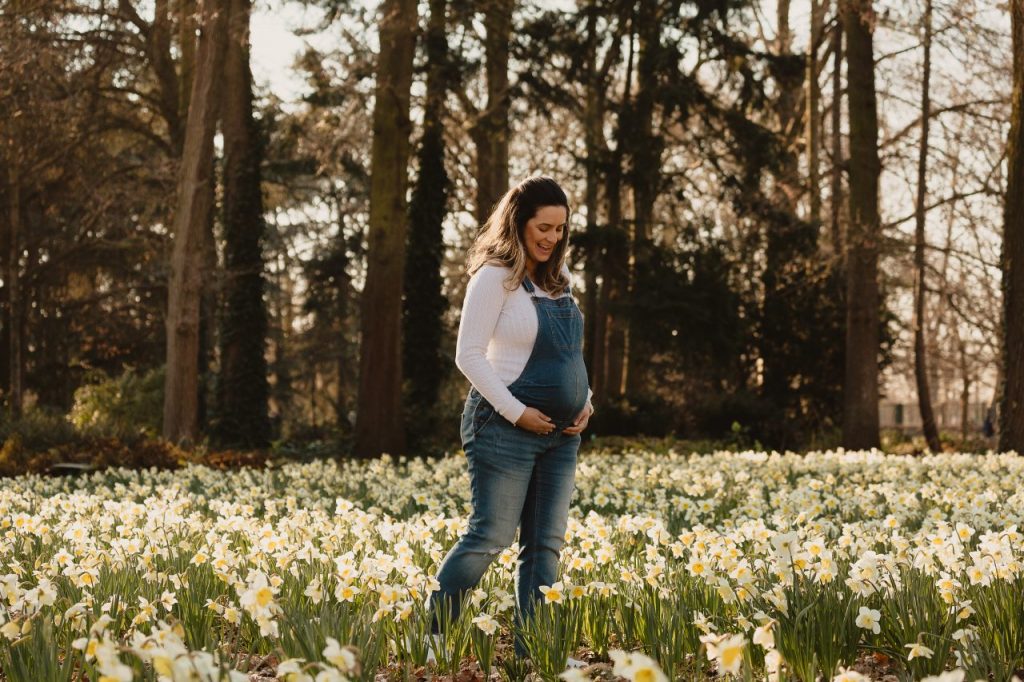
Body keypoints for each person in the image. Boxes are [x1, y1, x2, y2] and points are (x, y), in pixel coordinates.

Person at [427, 176, 594, 664]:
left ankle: (533, 651)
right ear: (519, 221)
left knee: (545, 547)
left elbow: (572, 356)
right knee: (491, 537)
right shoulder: (494, 277)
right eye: (543, 227)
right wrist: (518, 413)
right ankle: (432, 636)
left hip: (562, 436)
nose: (552, 238)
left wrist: (586, 402)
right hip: (502, 429)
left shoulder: (559, 285)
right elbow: (469, 356)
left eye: (560, 229)